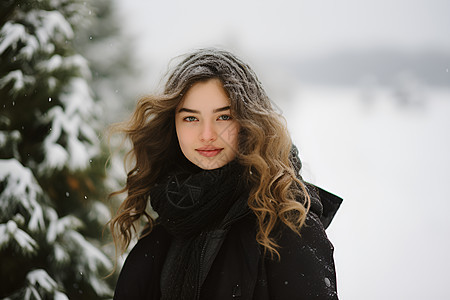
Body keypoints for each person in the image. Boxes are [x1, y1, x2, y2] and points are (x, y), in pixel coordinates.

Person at [109, 48, 343, 300]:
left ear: (249, 121)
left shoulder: (288, 223)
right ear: (172, 124)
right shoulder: (170, 211)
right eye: (191, 118)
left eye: (223, 116)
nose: (207, 134)